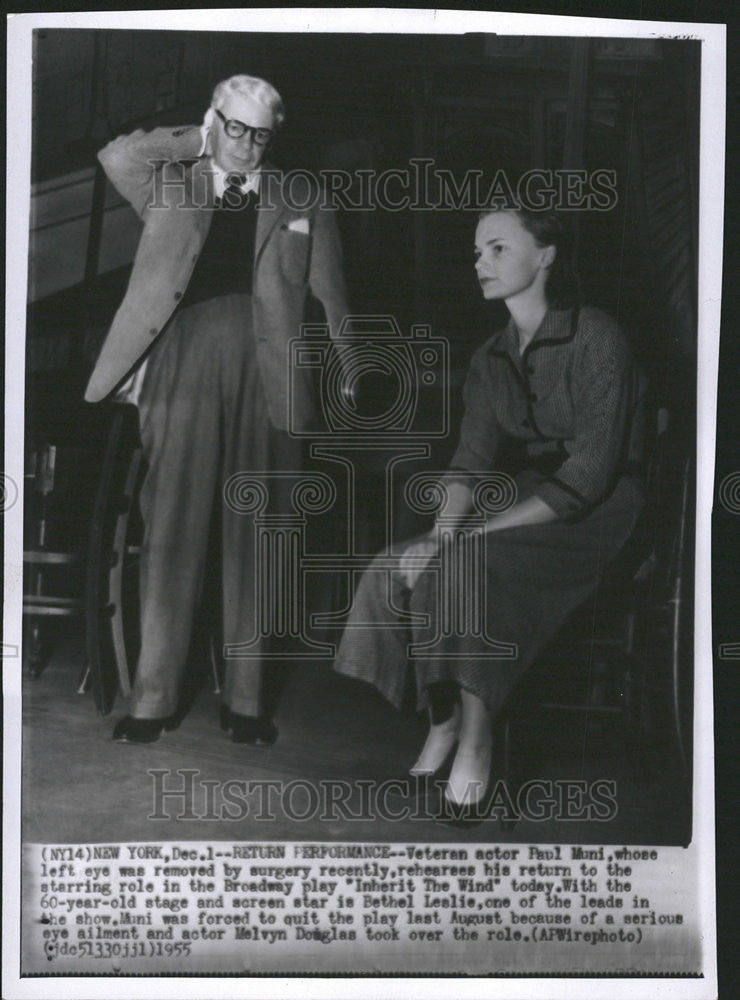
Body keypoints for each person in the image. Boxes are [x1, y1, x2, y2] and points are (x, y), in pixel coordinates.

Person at [334, 207, 646, 816]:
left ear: (546, 256)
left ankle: (475, 744)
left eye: (499, 249)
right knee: (397, 564)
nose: (481, 262)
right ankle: (442, 717)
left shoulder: (597, 336)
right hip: (530, 500)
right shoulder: (489, 356)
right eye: (478, 252)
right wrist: (440, 534)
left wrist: (464, 542)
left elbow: (586, 477)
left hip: (602, 511)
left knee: (469, 566)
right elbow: (468, 464)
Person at [85, 74, 349, 744]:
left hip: (274, 372)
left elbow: (332, 296)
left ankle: (248, 702)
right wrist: (194, 137)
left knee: (263, 537)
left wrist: (349, 372)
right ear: (215, 123)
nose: (248, 145)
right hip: (184, 358)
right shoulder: (172, 182)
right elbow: (116, 156)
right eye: (236, 128)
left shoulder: (303, 195)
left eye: (261, 134)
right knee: (171, 525)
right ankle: (152, 699)